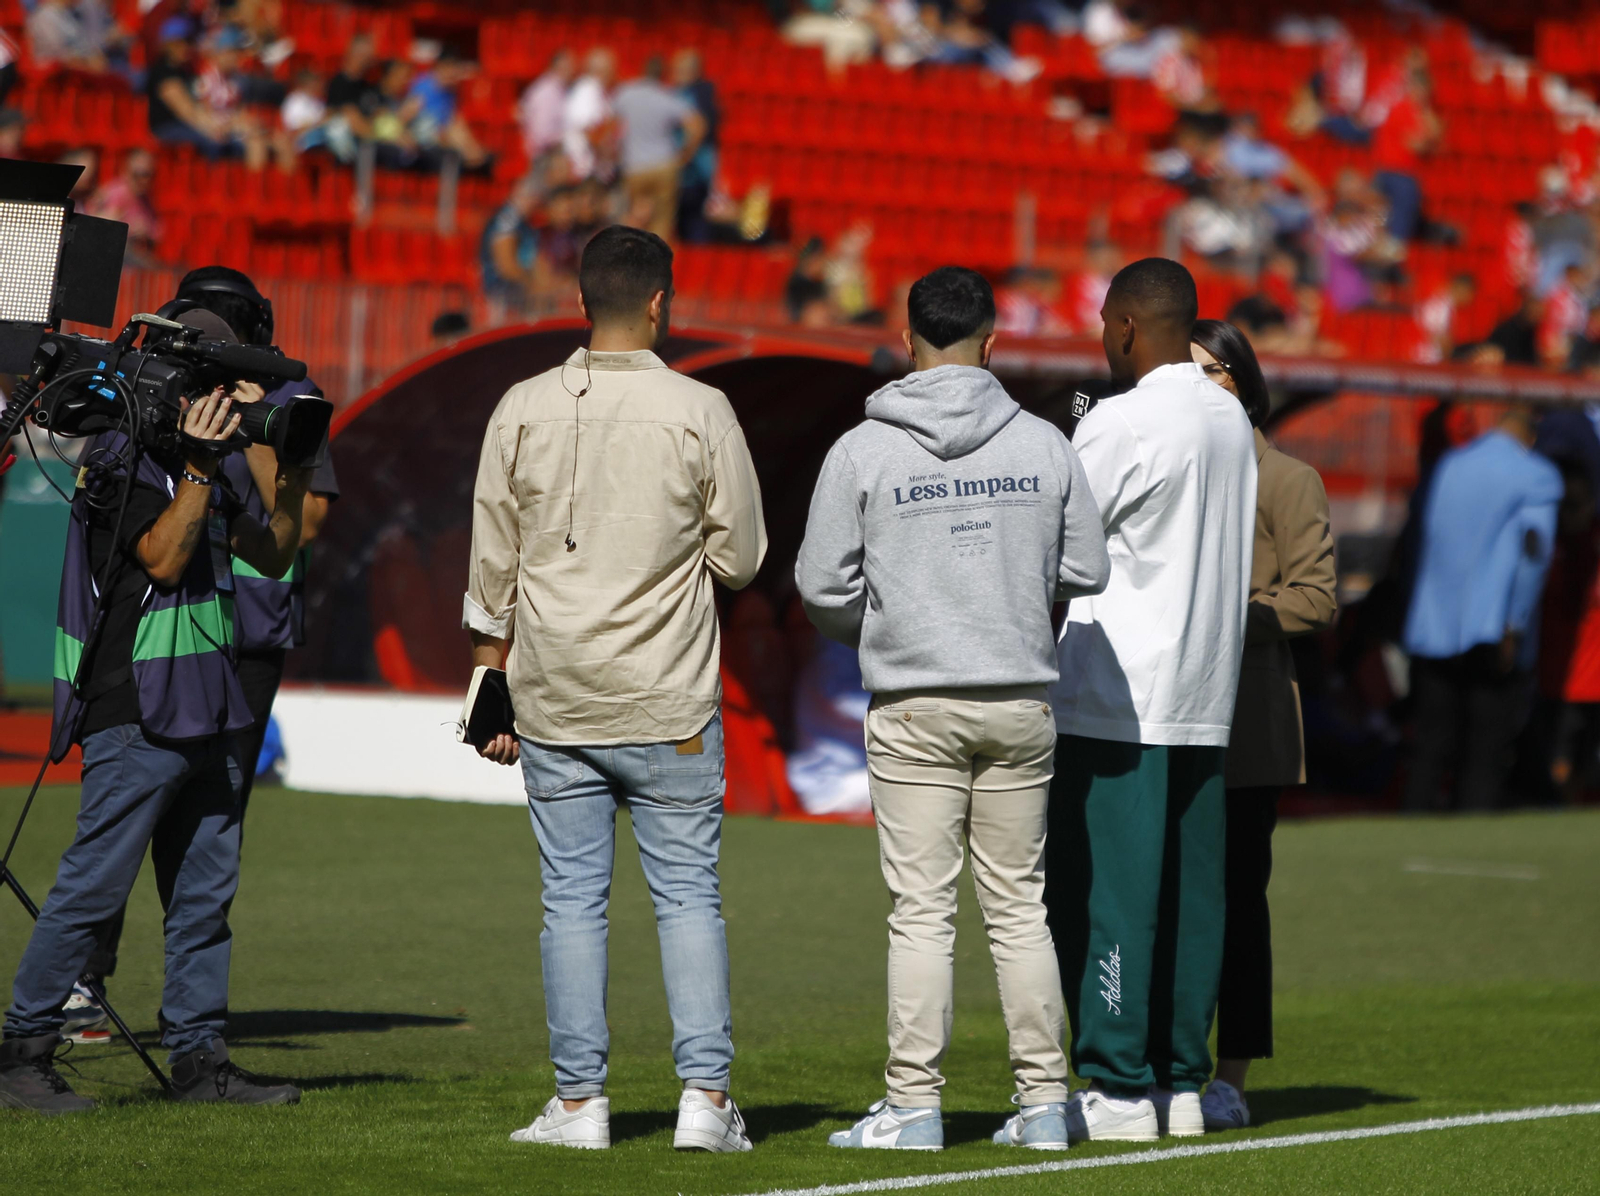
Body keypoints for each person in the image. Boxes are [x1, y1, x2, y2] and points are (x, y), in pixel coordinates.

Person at [465, 225, 766, 1152]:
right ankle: (704, 1101)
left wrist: (487, 683)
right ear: (661, 303)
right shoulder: (702, 407)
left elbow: (491, 566)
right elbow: (743, 558)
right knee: (689, 898)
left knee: (570, 903)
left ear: (582, 300)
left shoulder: (520, 406)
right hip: (669, 696)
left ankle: (580, 1104)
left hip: (556, 696)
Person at [796, 267, 1109, 1151]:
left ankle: (913, 1107)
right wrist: (1010, 587)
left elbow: (820, 585)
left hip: (914, 701)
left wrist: (885, 625)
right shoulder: (1045, 441)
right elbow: (1089, 568)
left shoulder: (862, 448)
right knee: (1020, 910)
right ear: (992, 343)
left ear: (906, 342)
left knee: (922, 913)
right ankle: (1045, 1105)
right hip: (1019, 698)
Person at [0, 368, 312, 1112]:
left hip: (210, 709)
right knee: (92, 889)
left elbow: (274, 555)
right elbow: (164, 561)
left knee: (205, 898)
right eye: (214, 394)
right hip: (137, 711)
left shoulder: (206, 468)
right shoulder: (120, 460)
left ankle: (200, 1060)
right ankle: (22, 1051)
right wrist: (202, 466)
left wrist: (291, 468)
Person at [64, 271, 340, 1040]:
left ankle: (189, 1015)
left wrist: (255, 428)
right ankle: (84, 982)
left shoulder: (294, 397)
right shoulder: (158, 387)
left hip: (248, 636)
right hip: (161, 628)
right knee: (123, 812)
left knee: (210, 830)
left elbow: (304, 527)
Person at [1045, 257, 1257, 1143]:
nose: (1101, 339)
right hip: (1206, 689)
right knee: (1192, 896)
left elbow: (1057, 546)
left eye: (1105, 323)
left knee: (1108, 893)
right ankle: (1176, 1080)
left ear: (1128, 325)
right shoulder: (1230, 416)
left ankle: (1120, 1084)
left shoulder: (1122, 420)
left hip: (1119, 691)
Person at [1189, 319, 1336, 1131]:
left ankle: (1230, 1079)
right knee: (1163, 899)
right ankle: (1159, 1067)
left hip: (1247, 721)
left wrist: (1219, 616)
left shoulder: (1285, 477)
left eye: (1215, 370)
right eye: (1189, 370)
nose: (1202, 384)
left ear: (1244, 382)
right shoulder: (1169, 466)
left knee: (1239, 904)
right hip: (1163, 715)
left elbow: (1316, 597)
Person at [1402, 409, 1563, 811]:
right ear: (1530, 436)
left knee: (1430, 745)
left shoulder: (1451, 464)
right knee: (1485, 751)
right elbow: (1534, 553)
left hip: (1433, 625)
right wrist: (1516, 623)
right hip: (1492, 628)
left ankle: (1410, 826)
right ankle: (1470, 831)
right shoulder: (1537, 474)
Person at [612, 55, 705, 243]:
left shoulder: (626, 93)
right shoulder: (667, 96)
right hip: (664, 166)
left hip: (634, 167)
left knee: (634, 219)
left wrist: (615, 153)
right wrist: (686, 155)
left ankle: (629, 256)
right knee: (661, 222)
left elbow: (611, 126)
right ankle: (658, 259)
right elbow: (697, 125)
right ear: (663, 74)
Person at [86, 148, 162, 266]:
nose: (143, 180)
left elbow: (157, 232)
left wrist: (146, 231)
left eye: (148, 175)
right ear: (125, 170)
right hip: (111, 256)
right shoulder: (112, 194)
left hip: (134, 256)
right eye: (138, 174)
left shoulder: (145, 199)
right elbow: (91, 226)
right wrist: (130, 229)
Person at [563, 47, 617, 182]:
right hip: (585, 170)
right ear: (600, 70)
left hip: (594, 169)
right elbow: (588, 128)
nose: (614, 73)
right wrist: (606, 148)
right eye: (611, 69)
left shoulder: (597, 90)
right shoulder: (587, 90)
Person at [518, 48, 575, 161]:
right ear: (557, 67)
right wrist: (569, 137)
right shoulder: (547, 92)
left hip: (548, 155)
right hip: (542, 158)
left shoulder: (558, 89)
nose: (572, 71)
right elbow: (542, 135)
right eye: (568, 67)